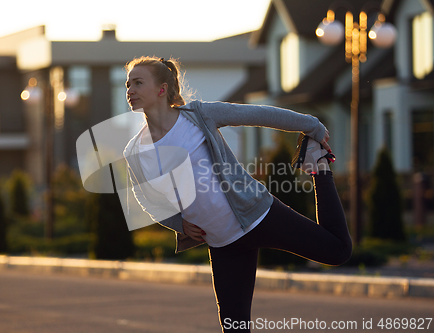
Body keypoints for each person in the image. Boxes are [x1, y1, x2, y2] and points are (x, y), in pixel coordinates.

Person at [123, 55, 352, 332]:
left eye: (138, 82)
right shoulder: (134, 151)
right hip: (222, 243)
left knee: (338, 251)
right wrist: (177, 223)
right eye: (127, 84)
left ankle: (319, 167)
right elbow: (147, 199)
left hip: (258, 215)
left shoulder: (198, 117)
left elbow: (257, 114)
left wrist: (311, 125)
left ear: (161, 89)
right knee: (234, 327)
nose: (130, 90)